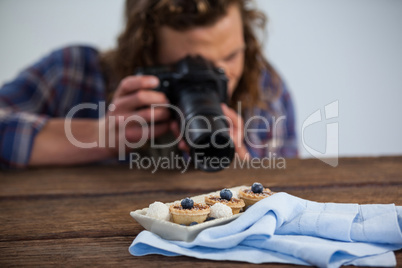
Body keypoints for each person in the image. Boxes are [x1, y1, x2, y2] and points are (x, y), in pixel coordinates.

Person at [0, 0, 297, 170]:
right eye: (186, 68)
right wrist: (100, 136)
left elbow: (291, 207)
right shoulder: (72, 73)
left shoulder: (267, 94)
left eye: (231, 56)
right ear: (143, 55)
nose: (219, 77)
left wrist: (244, 176)